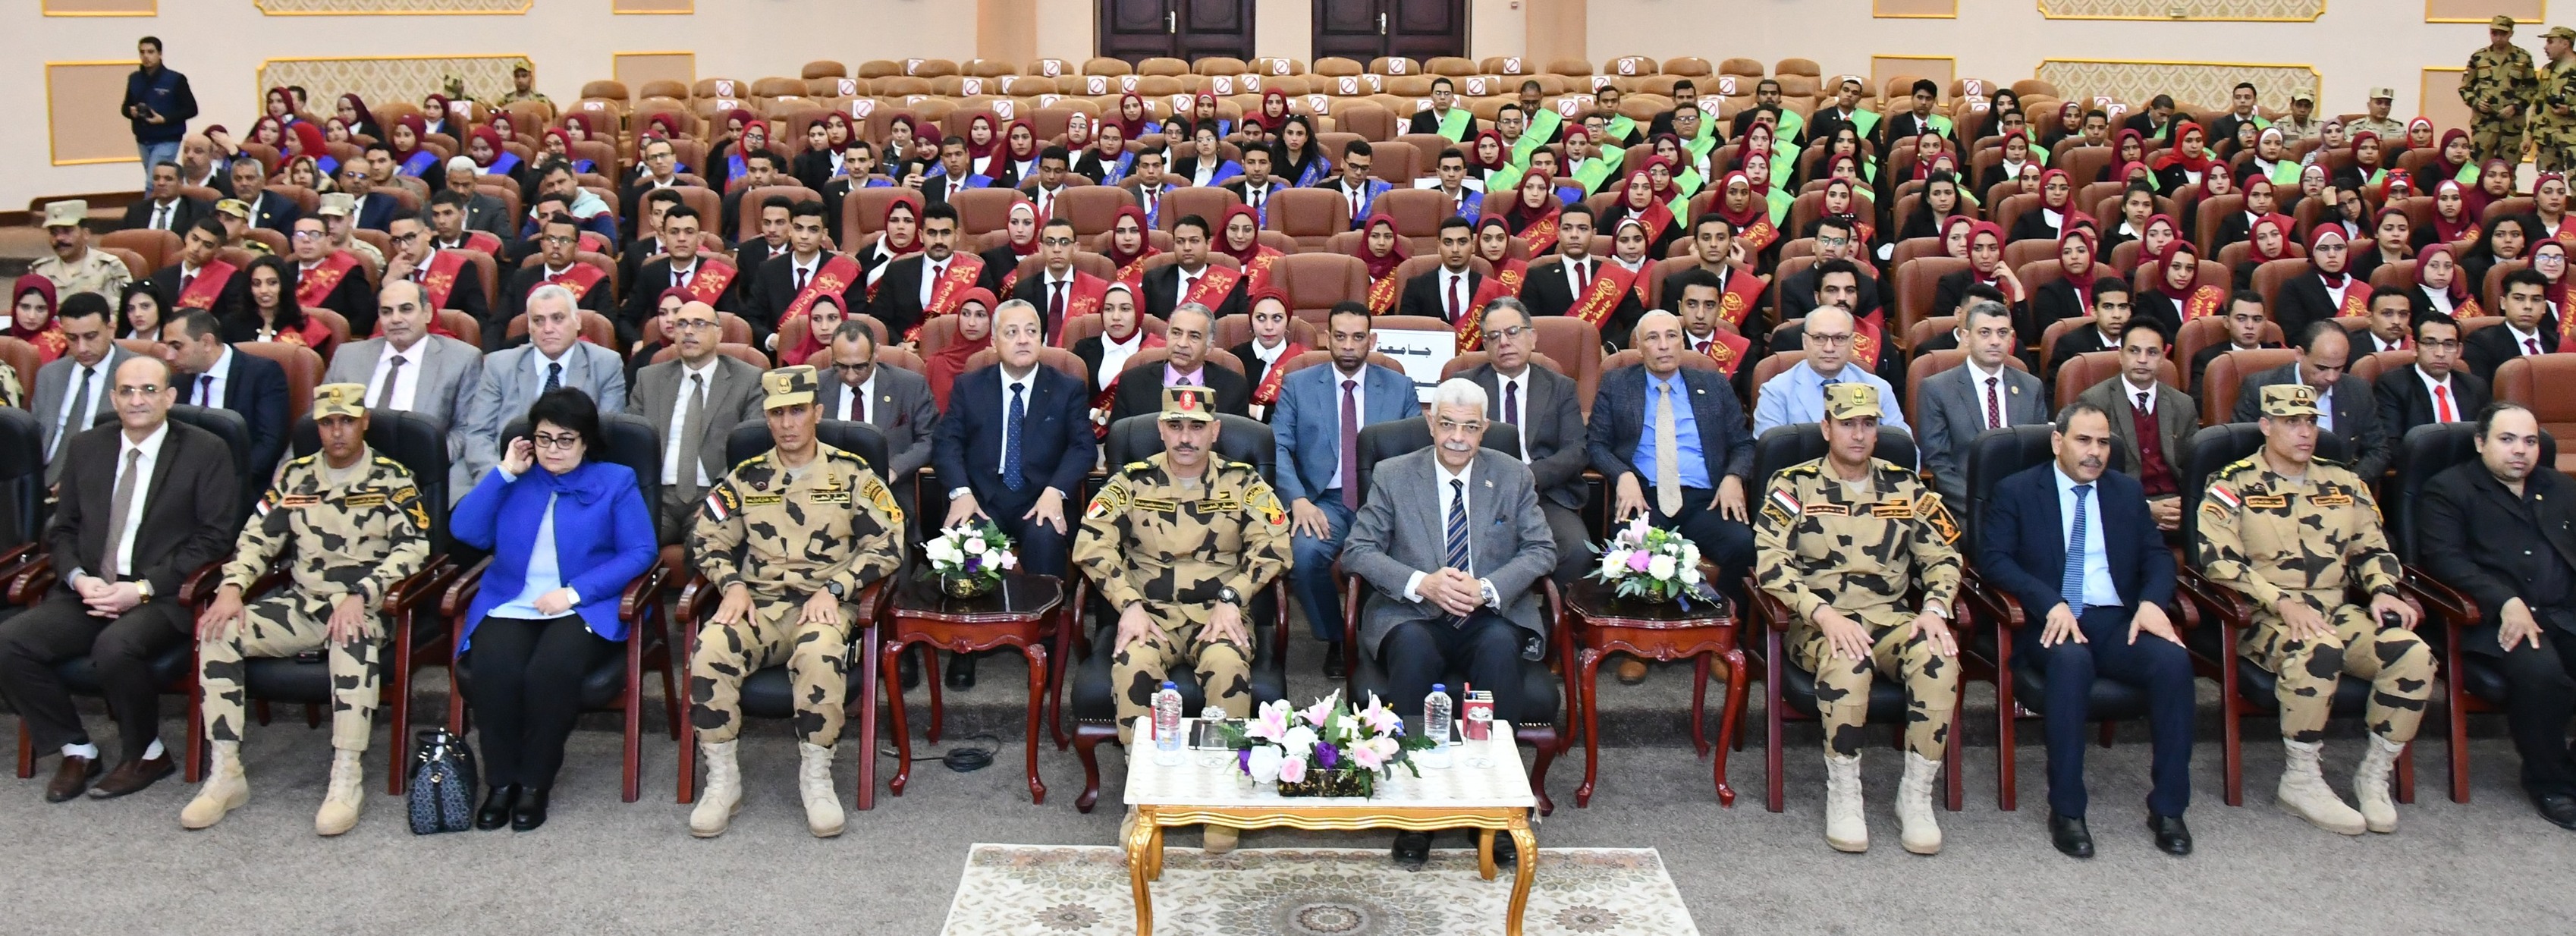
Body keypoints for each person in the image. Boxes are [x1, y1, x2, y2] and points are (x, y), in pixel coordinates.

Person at [181, 383, 428, 835]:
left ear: (364, 422)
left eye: (347, 421)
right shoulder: (296, 478)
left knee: (351, 638)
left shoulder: (392, 478)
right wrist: (233, 586)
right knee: (217, 629)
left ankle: (346, 775)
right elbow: (258, 539)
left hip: (362, 608)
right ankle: (226, 771)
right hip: (301, 605)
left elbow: (412, 549)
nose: (337, 432)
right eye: (328, 422)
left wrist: (362, 593)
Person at [2197, 383, 2434, 835]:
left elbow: (2372, 547)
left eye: (2310, 422)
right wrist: (2281, 602)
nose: (2305, 433)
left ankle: (2374, 773)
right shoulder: (2232, 486)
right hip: (2264, 618)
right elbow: (2220, 564)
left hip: (2338, 611)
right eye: (2291, 423)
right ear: (2266, 427)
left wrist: (2384, 589)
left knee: (2414, 654)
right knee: (2318, 649)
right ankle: (2301, 778)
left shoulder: (2345, 482)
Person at [0, 355, 236, 803]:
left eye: (149, 390)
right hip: (91, 589)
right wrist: (76, 578)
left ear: (170, 397)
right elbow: (63, 529)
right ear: (113, 398)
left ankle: (147, 752)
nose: (137, 400)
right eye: (127, 391)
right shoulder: (88, 446)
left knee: (115, 646)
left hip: (164, 594)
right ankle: (76, 747)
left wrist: (142, 589)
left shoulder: (206, 450)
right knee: (9, 643)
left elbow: (214, 539)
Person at [1342, 377, 1554, 868]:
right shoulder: (1395, 474)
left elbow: (1542, 549)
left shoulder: (1512, 475)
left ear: (1485, 430)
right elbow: (1358, 551)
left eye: (1471, 427)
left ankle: (1496, 810)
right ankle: (1419, 813)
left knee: (1501, 647)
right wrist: (1423, 583)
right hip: (1414, 612)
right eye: (1448, 424)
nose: (1458, 437)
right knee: (1414, 650)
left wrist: (1486, 589)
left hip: (1489, 612)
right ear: (1432, 423)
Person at [688, 365, 906, 838]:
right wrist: (732, 584)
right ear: (766, 418)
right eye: (777, 413)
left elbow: (888, 543)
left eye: (798, 411)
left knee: (820, 652)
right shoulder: (746, 477)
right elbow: (706, 540)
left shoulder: (852, 473)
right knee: (710, 646)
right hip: (759, 604)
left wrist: (837, 588)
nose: (788, 423)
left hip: (823, 604)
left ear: (817, 412)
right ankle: (722, 779)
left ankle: (817, 776)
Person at [1076, 385, 1291, 854]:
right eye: (1176, 425)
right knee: (1132, 666)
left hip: (1219, 615)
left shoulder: (1244, 482)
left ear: (1215, 431)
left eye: (1197, 426)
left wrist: (1234, 597)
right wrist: (1127, 602)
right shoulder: (1130, 481)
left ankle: (1221, 800)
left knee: (1229, 667)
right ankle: (1146, 800)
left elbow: (1275, 546)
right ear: (1161, 430)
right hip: (1149, 616)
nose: (1186, 437)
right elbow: (1091, 544)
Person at [1977, 401, 2195, 857]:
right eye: (2083, 440)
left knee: (2173, 661)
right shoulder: (2016, 490)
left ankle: (2169, 808)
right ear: (2058, 442)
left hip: (2114, 618)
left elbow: (2155, 555)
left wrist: (2153, 603)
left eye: (2102, 442)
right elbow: (1994, 560)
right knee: (2071, 663)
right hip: (2047, 620)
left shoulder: (2124, 492)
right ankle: (2068, 809)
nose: (2094, 452)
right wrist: (2047, 600)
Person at [1754, 382, 1965, 854]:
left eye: (1868, 424)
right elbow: (1770, 565)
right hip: (1819, 622)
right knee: (1848, 661)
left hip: (1892, 619)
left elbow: (1945, 557)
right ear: (1827, 428)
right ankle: (1845, 793)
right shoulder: (1793, 484)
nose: (1858, 434)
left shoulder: (1906, 485)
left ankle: (1915, 796)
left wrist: (1934, 609)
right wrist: (1823, 615)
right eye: (1847, 424)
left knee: (1938, 656)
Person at [445, 387, 658, 832]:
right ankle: (501, 783)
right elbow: (465, 531)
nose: (553, 450)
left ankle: (535, 785)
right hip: (511, 600)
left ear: (585, 442)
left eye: (565, 440)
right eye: (544, 438)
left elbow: (640, 551)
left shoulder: (615, 481)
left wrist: (575, 592)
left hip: (583, 606)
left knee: (549, 673)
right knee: (495, 670)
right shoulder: (518, 477)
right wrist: (503, 472)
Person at [2419, 402, 2576, 828]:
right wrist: (2505, 601)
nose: (2520, 451)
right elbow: (2445, 560)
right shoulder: (2448, 489)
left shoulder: (2559, 487)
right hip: (2492, 621)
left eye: (2529, 441)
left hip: (2564, 613)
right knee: (2543, 675)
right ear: (2480, 442)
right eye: (2507, 440)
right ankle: (2551, 784)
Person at [1588, 309, 1758, 683]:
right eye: (1653, 338)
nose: (1663, 346)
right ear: (1638, 345)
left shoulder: (1712, 384)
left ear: (1682, 343)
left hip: (1704, 495)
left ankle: (1718, 638)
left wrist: (1733, 477)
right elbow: (1596, 444)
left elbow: (1743, 444)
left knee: (1744, 544)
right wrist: (1623, 475)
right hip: (1644, 494)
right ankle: (1637, 646)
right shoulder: (1617, 384)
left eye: (1671, 336)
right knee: (1630, 547)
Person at [931, 301, 1095, 688]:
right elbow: (946, 443)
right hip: (983, 498)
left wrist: (1057, 491)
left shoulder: (1067, 387)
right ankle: (964, 647)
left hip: (1040, 498)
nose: (1023, 340)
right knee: (965, 537)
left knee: (1046, 539)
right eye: (1012, 332)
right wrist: (961, 492)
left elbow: (1083, 448)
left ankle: (1046, 647)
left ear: (1042, 336)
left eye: (1031, 331)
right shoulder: (971, 386)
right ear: (994, 341)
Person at [1275, 306, 1419, 675]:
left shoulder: (1399, 386)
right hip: (1324, 500)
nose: (1349, 346)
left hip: (1385, 500)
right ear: (1328, 339)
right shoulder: (1299, 384)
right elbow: (1277, 447)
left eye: (1359, 338)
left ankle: (1383, 634)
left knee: (1405, 552)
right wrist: (1299, 500)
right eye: (1340, 337)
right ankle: (1338, 637)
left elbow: (1416, 452)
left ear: (1372, 340)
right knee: (1304, 555)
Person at [1456, 299, 1591, 585]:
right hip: (1478, 494)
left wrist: (1526, 476)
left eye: (1513, 332)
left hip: (1543, 495)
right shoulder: (1465, 386)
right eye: (1494, 336)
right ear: (1484, 345)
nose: (1504, 342)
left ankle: (1552, 623)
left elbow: (1576, 451)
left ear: (1532, 337)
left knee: (1577, 550)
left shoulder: (1560, 387)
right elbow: (1452, 446)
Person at [324, 280, 482, 488]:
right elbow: (319, 419)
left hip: (418, 475)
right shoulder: (348, 356)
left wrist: (425, 461)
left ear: (427, 313)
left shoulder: (462, 359)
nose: (396, 319)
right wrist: (288, 466)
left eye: (406, 309)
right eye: (387, 312)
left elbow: (465, 430)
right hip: (348, 473)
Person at [461, 285, 627, 484]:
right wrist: (501, 478)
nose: (548, 329)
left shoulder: (606, 364)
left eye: (558, 318)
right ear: (529, 327)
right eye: (538, 320)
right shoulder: (500, 365)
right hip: (508, 471)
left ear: (577, 321)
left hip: (575, 477)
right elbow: (478, 434)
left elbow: (601, 438)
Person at [631, 300, 765, 544]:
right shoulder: (649, 380)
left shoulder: (748, 380)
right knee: (628, 541)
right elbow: (631, 445)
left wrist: (724, 496)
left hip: (716, 491)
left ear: (719, 333)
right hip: (657, 495)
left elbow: (753, 448)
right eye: (681, 324)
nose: (688, 331)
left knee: (703, 543)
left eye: (699, 324)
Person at [1918, 300, 2047, 503]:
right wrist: (1979, 502)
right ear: (1967, 337)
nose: (1995, 341)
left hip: (2023, 501)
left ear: (2011, 338)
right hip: (1965, 503)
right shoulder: (1937, 389)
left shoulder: (2031, 387)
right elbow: (1938, 462)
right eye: (1985, 333)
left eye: (2003, 333)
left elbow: (2039, 455)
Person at [817, 320, 938, 534]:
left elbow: (929, 439)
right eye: (842, 366)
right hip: (825, 494)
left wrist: (893, 470)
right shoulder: (816, 388)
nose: (851, 375)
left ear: (877, 353)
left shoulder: (909, 386)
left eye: (860, 366)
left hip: (889, 494)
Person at [2069, 322, 2192, 532]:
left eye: (2152, 352)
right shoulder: (2095, 402)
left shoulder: (2183, 404)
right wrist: (2146, 508)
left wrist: (2186, 507)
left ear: (2163, 358)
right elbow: (2087, 471)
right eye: (2134, 351)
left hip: (2177, 507)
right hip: (2121, 507)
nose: (2142, 360)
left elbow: (2193, 467)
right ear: (2120, 355)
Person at [2230, 322, 2392, 479]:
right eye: (2321, 368)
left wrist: (2349, 481)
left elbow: (2378, 451)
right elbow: (2242, 450)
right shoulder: (2261, 387)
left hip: (2339, 489)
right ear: (2300, 354)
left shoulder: (2358, 390)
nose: (2331, 377)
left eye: (2339, 368)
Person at [159, 309, 289, 474]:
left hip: (240, 479)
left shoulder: (262, 374)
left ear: (207, 342)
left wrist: (226, 481)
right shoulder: (177, 383)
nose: (169, 356)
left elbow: (269, 444)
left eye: (177, 346)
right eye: (166, 346)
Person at [1751, 303, 1909, 435]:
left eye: (1839, 338)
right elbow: (1769, 457)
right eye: (1819, 338)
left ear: (1852, 342)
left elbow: (1905, 450)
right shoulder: (1776, 392)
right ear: (1805, 342)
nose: (1829, 348)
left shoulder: (1879, 388)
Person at [33, 294, 134, 483]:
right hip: (40, 480)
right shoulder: (50, 375)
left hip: (99, 481)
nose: (82, 348)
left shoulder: (137, 372)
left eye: (90, 336)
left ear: (111, 328)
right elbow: (36, 438)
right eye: (72, 338)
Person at [1107, 303, 1249, 423]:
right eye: (1176, 333)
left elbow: (1236, 447)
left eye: (1194, 336)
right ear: (1167, 336)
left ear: (1209, 348)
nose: (1182, 344)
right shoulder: (1133, 382)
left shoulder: (1233, 387)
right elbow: (1117, 443)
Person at [2373, 312, 2486, 437]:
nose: (2440, 353)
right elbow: (2392, 444)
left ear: (2459, 351)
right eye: (2430, 343)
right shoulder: (2392, 386)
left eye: (2449, 344)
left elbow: (2487, 437)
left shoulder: (2475, 387)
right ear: (2414, 348)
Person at [1009, 218, 1110, 344]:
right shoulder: (1024, 290)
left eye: (1064, 242)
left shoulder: (1097, 289)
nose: (1057, 249)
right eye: (1050, 242)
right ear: (1040, 248)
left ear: (1076, 248)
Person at [2464, 18, 2541, 165]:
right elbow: (2465, 88)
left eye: (2503, 34)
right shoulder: (2479, 57)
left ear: (2511, 33)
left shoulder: (2523, 57)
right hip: (2484, 125)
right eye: (2495, 33)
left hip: (2511, 126)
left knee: (2508, 172)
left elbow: (2532, 88)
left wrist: (2516, 106)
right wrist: (2476, 102)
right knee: (2476, 171)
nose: (2498, 38)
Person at [121, 37, 197, 185]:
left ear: (160, 54)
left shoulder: (175, 79)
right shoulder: (134, 79)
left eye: (151, 52)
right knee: (158, 180)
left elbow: (191, 109)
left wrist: (164, 119)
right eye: (142, 52)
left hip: (167, 138)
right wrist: (131, 112)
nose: (146, 56)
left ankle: (147, 208)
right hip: (143, 139)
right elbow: (125, 108)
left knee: (153, 182)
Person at [2465, 269, 2561, 380]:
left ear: (2544, 307)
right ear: (2503, 303)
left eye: (2536, 300)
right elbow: (2482, 393)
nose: (2528, 306)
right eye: (2519, 299)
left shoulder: (2555, 342)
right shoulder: (2481, 343)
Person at [32, 201, 132, 305]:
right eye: (54, 233)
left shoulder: (109, 268)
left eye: (67, 231)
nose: (59, 238)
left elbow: (119, 314)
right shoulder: (40, 271)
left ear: (86, 234)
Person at [1401, 218, 1485, 324]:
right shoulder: (1416, 287)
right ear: (1438, 246)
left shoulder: (1486, 287)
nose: (1455, 249)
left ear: (1473, 245)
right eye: (1448, 242)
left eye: (1462, 242)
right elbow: (1407, 331)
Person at [1318, 141, 1390, 230]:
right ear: (1342, 163)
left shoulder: (1383, 194)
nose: (1359, 173)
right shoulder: (1323, 192)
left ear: (1370, 166)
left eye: (1364, 168)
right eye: (1353, 166)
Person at [122, 162, 209, 234]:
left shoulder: (196, 211)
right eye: (156, 178)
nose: (161, 183)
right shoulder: (136, 210)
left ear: (181, 182)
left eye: (168, 179)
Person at [2538, 30, 2576, 172]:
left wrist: (2570, 110)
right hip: (2547, 139)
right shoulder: (2547, 70)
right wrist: (2528, 136)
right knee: (2549, 185)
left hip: (2573, 139)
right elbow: (2538, 104)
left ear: (2565, 43)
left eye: (2550, 42)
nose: (2545, 47)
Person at [1407, 77, 1478, 139]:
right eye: (1438, 93)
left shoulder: (1465, 118)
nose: (1442, 97)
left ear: (1453, 98)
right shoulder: (1419, 119)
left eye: (1447, 93)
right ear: (1432, 97)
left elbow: (1473, 145)